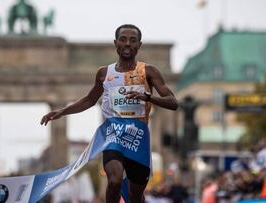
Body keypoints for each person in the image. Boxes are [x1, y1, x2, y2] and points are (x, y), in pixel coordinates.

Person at [41, 24, 178, 203]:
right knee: (114, 180)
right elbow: (89, 100)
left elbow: (173, 102)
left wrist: (148, 97)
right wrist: (62, 111)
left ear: (139, 45)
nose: (127, 44)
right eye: (123, 39)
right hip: (113, 134)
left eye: (133, 40)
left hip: (138, 137)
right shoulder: (104, 73)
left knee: (135, 196)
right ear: (116, 43)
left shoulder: (148, 72)